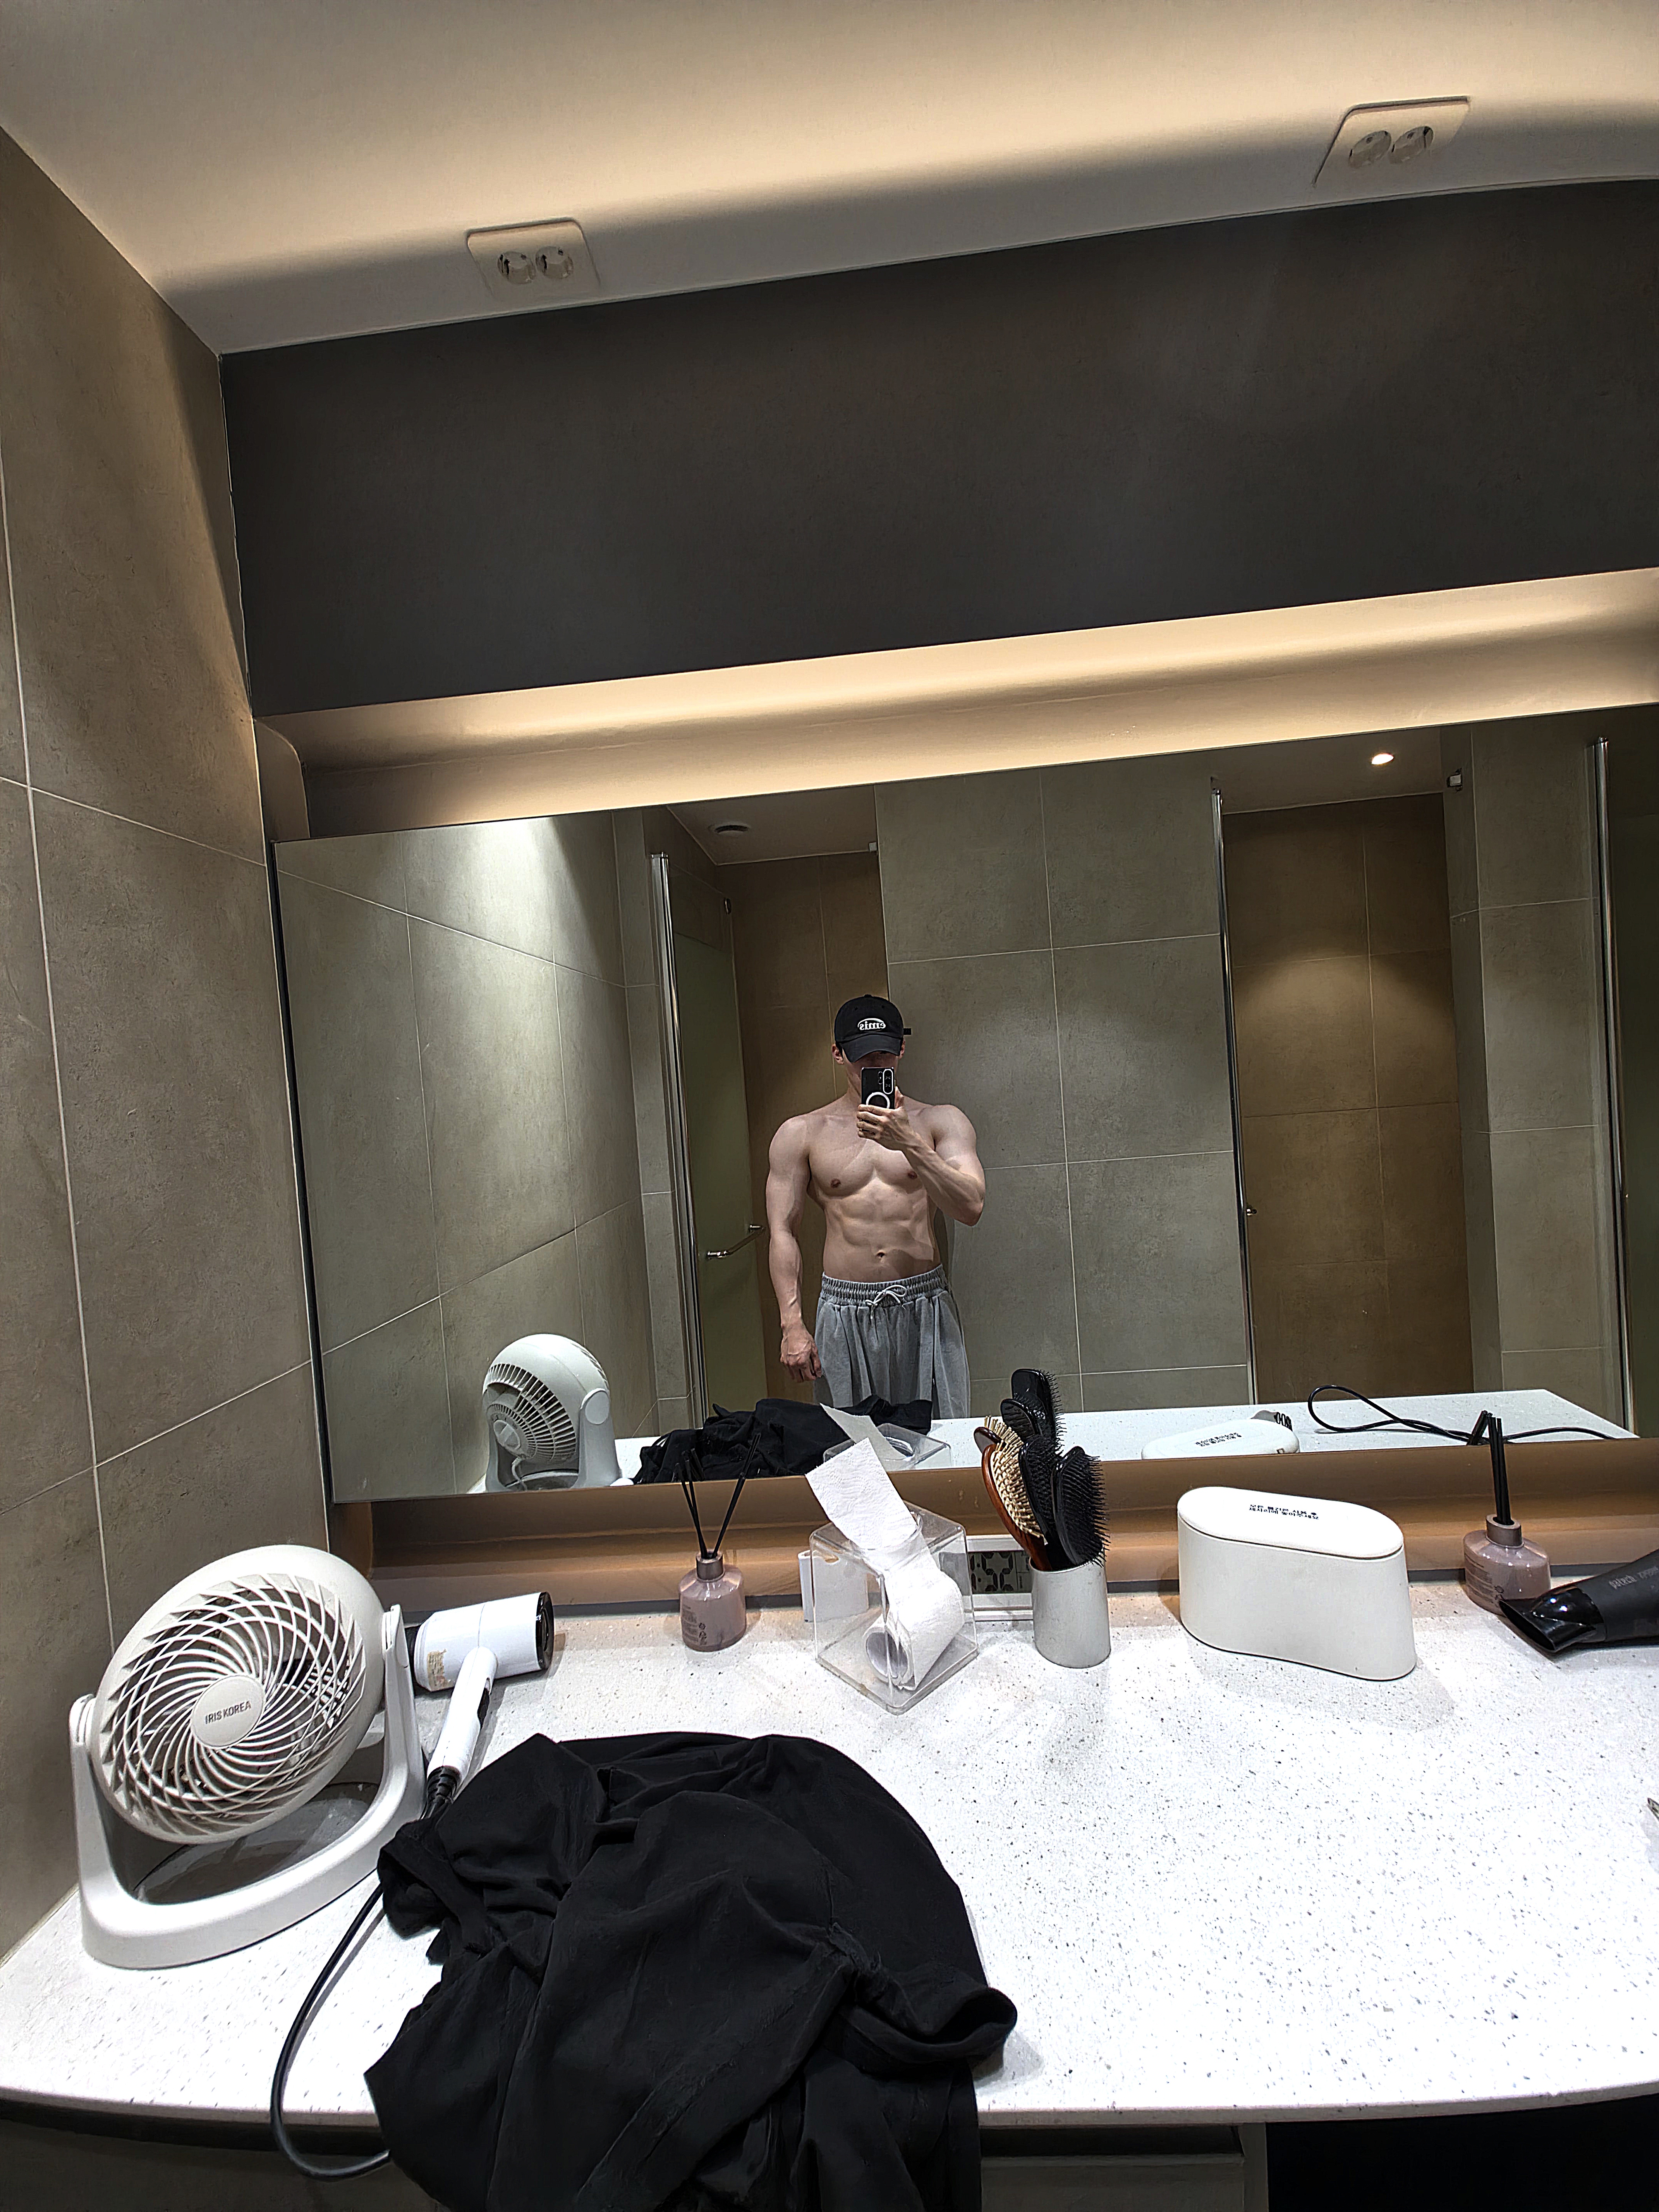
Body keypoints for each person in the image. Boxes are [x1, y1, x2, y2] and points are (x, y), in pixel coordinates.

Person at [764, 994, 984, 1417]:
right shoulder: (802, 1133)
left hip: (925, 1305)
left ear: (901, 1048)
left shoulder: (940, 1122)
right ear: (838, 1053)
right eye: (863, 1055)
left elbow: (970, 1207)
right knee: (852, 1447)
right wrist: (792, 1324)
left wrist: (910, 1145)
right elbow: (782, 1231)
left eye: (884, 1052)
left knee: (941, 1438)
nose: (874, 1064)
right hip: (844, 1311)